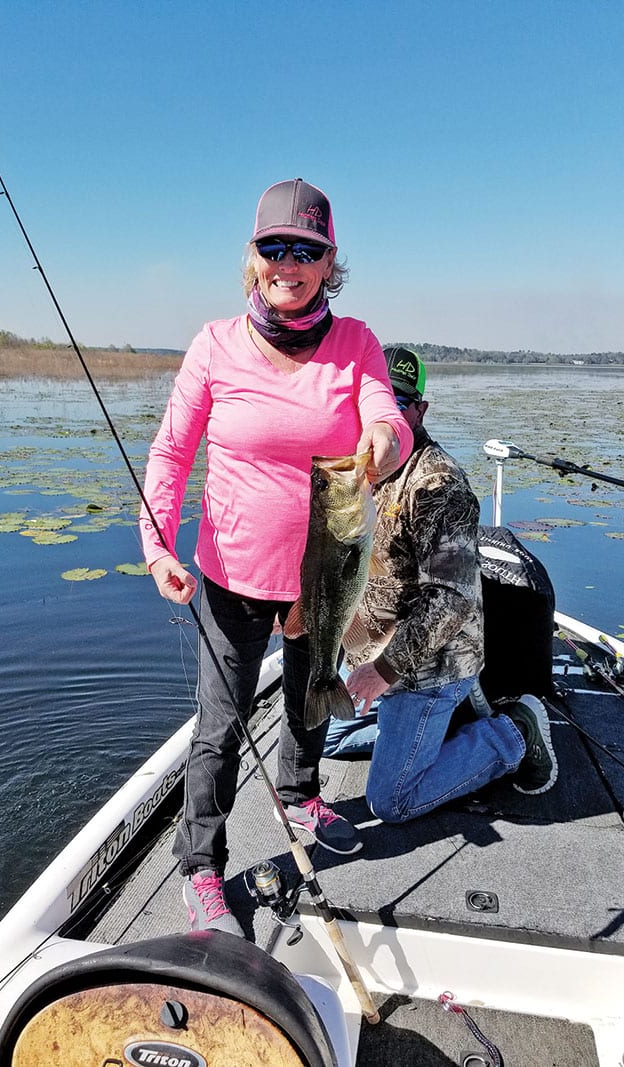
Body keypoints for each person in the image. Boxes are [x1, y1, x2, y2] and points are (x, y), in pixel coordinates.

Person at [140, 179, 413, 935]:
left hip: (324, 571)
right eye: (274, 247)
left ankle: (299, 794)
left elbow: (385, 416)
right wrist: (158, 543)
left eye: (306, 250)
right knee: (219, 727)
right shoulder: (215, 344)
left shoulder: (355, 341)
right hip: (229, 576)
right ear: (252, 259)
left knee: (312, 690)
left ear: (329, 262)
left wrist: (387, 439)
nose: (288, 262)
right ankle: (200, 866)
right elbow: (170, 451)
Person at [323, 347, 559, 823]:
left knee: (391, 801)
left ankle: (512, 733)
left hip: (431, 668)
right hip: (376, 655)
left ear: (419, 410)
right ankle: (447, 728)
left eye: (400, 401)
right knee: (330, 738)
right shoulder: (357, 471)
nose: (386, 416)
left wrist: (382, 672)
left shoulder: (439, 485)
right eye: (375, 402)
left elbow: (450, 602)